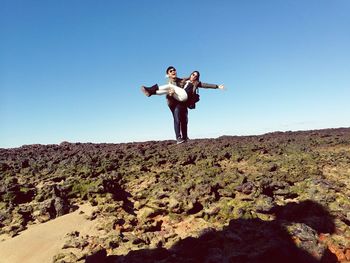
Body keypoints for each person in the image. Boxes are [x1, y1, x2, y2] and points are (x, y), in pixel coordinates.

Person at [142, 66, 224, 144]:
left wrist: (217, 86)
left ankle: (151, 91)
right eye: (193, 74)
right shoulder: (183, 80)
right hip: (179, 100)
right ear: (190, 74)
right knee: (176, 116)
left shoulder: (196, 83)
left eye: (196, 75)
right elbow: (172, 82)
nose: (194, 76)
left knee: (184, 120)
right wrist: (170, 90)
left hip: (185, 98)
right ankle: (179, 138)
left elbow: (206, 85)